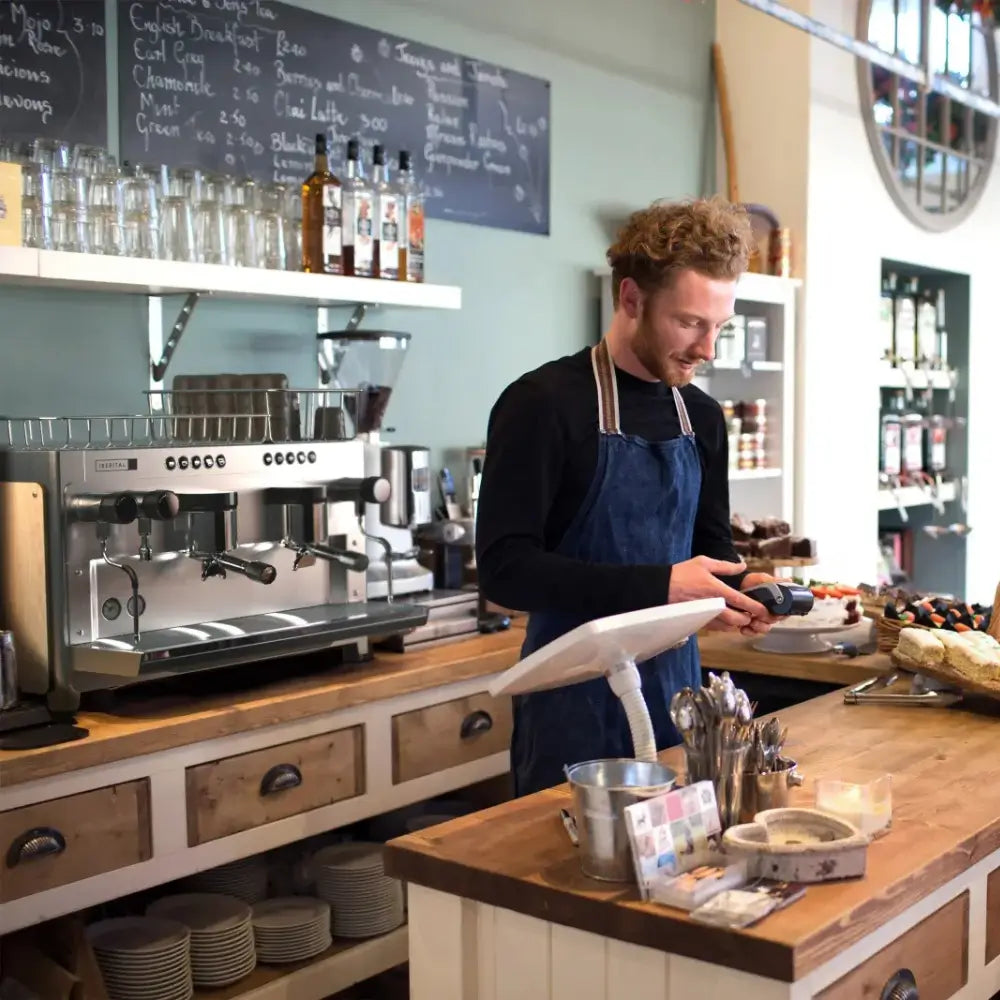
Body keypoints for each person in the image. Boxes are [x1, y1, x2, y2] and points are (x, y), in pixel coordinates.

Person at [475, 197, 780, 798]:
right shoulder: (543, 404)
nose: (707, 349)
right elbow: (505, 572)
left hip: (678, 699)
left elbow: (708, 551)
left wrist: (739, 592)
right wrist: (665, 587)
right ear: (632, 300)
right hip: (570, 704)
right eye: (691, 322)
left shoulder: (702, 417)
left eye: (721, 325)